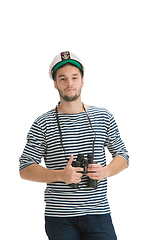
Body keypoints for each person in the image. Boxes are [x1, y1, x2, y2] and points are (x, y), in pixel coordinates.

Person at [19, 51, 129, 240]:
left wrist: (106, 171)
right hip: (59, 217)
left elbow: (123, 155)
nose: (69, 83)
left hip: (99, 213)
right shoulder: (42, 123)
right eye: (62, 79)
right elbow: (25, 168)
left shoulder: (103, 116)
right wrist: (61, 175)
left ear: (82, 81)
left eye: (74, 77)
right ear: (55, 84)